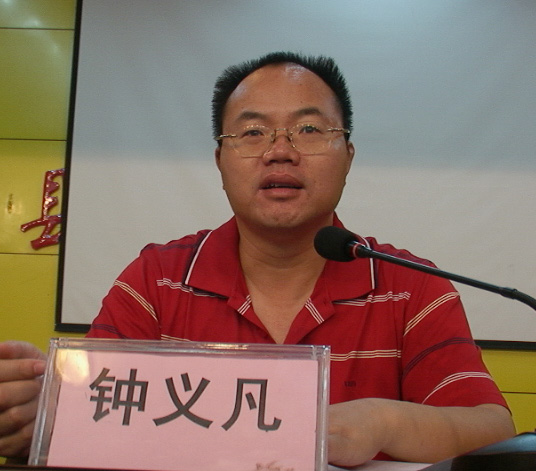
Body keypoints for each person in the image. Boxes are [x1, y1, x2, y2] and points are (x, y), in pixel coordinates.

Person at [0, 52, 515, 466]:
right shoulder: (157, 281)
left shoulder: (411, 287)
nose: (280, 151)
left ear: (348, 156)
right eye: (251, 133)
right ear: (220, 160)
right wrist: (40, 413)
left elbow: (491, 432)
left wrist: (382, 423)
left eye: (309, 130)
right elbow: (91, 416)